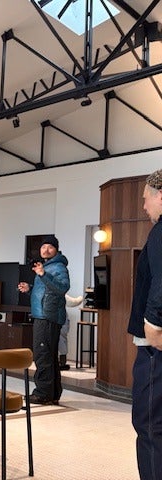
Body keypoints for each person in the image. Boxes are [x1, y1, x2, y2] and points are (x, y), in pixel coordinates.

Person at [128, 168, 162, 480]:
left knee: (150, 425)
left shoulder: (160, 231)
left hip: (156, 348)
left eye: (146, 198)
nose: (143, 206)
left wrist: (154, 323)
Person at [18, 235, 70, 405]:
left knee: (42, 355)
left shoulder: (58, 267)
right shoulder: (47, 266)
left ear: (56, 249)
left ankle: (42, 393)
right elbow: (47, 291)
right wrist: (30, 289)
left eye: (50, 247)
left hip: (48, 317)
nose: (46, 250)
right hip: (44, 314)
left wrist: (43, 274)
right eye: (43, 247)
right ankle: (53, 393)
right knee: (49, 356)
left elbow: (62, 288)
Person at [59, 294, 84, 371]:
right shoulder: (60, 293)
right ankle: (62, 362)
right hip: (61, 319)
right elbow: (73, 302)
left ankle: (58, 362)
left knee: (59, 341)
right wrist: (81, 297)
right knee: (62, 341)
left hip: (52, 319)